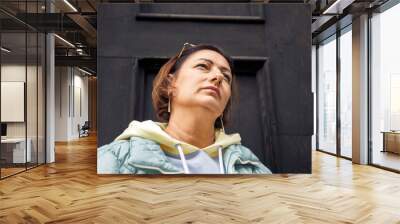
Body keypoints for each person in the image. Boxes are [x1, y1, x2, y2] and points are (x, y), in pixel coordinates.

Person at [97, 43, 272, 174]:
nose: (218, 76)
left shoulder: (250, 165)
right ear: (170, 84)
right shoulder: (113, 158)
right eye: (203, 66)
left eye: (226, 76)